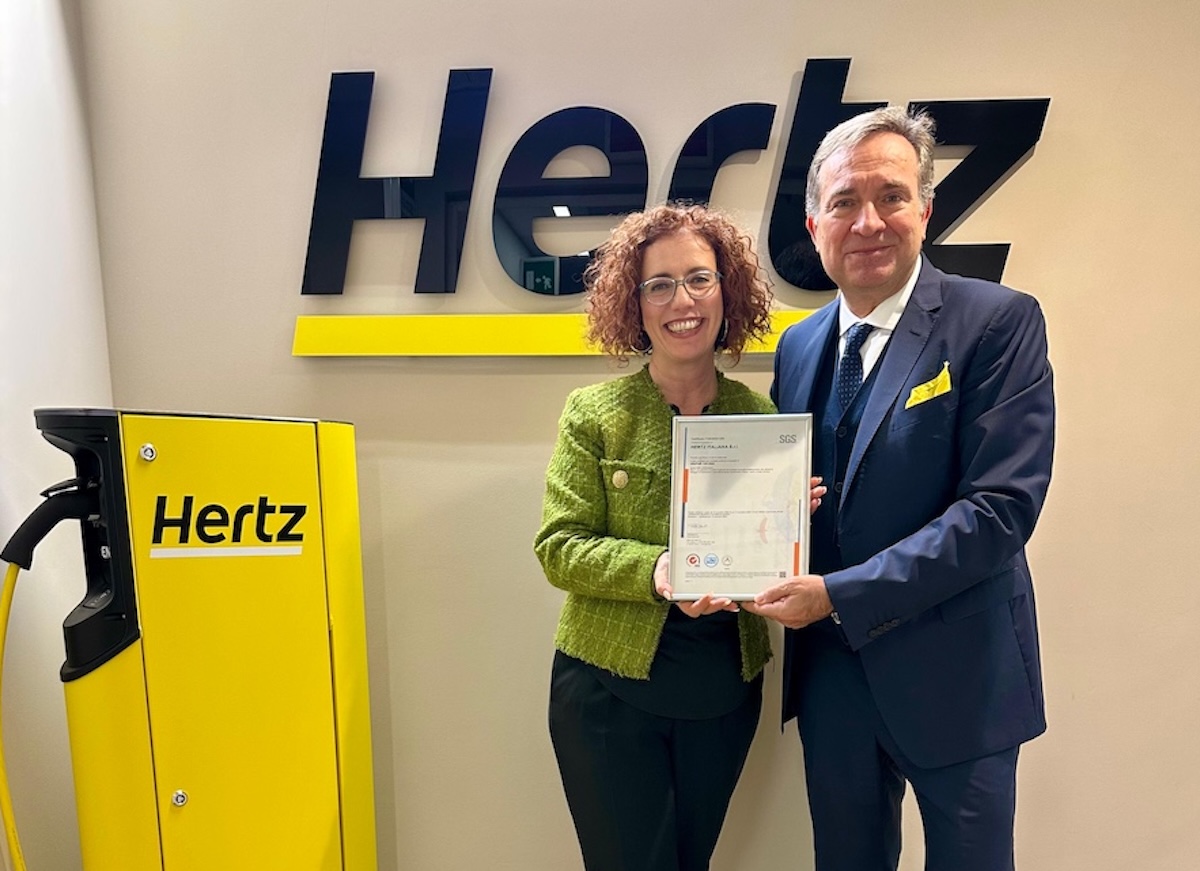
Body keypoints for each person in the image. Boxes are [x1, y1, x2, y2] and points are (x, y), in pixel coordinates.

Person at [747, 107, 1055, 871]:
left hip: (961, 676)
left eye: (890, 196)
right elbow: (797, 499)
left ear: (925, 210)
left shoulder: (998, 322)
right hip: (834, 682)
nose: (868, 222)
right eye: (844, 202)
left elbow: (998, 512)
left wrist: (839, 593)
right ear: (815, 226)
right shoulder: (798, 345)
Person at [534, 204, 819, 871]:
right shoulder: (594, 414)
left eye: (698, 278)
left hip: (722, 694)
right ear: (633, 304)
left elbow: (762, 556)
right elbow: (559, 546)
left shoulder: (761, 417)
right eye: (658, 284)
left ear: (727, 290)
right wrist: (660, 570)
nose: (682, 301)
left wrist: (783, 525)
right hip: (607, 694)